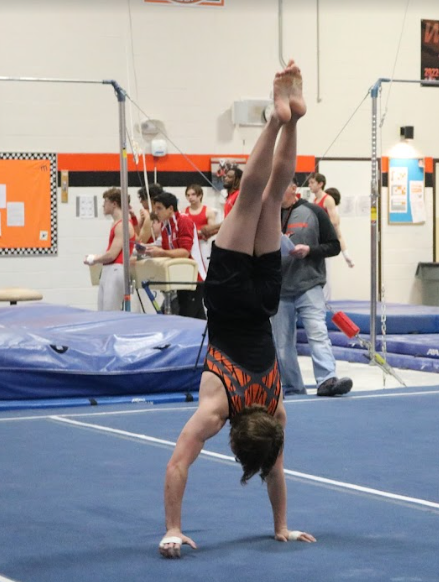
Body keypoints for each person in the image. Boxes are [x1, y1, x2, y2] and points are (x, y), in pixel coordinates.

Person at [159, 60, 315, 559]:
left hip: (264, 299)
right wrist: (172, 529)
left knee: (270, 200)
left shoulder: (276, 410)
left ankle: (292, 120)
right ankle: (275, 119)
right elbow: (178, 465)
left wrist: (283, 526)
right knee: (251, 200)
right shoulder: (216, 409)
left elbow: (277, 469)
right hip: (227, 299)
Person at [272, 179, 353, 397]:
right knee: (281, 343)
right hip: (279, 289)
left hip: (309, 284)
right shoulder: (268, 215)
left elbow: (334, 246)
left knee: (317, 332)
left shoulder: (314, 212)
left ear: (293, 188)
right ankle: (292, 386)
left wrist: (310, 250)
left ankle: (327, 380)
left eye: (281, 186)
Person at [146, 191, 206, 320]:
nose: (156, 212)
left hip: (195, 278)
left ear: (170, 209)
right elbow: (164, 247)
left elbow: (185, 252)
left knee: (187, 317)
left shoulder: (184, 221)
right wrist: (146, 250)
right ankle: (208, 339)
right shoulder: (165, 225)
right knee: (197, 318)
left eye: (159, 208)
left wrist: (161, 252)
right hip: (182, 277)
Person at [84, 187, 136, 311]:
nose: (103, 205)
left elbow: (112, 255)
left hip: (116, 270)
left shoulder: (123, 225)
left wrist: (94, 259)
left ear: (114, 204)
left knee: (110, 312)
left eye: (105, 202)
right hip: (109, 270)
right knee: (102, 312)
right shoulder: (116, 223)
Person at [199, 166, 242, 240]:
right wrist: (214, 232)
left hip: (237, 237)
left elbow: (235, 221)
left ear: (238, 180)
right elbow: (228, 223)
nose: (225, 178)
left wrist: (213, 227)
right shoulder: (230, 196)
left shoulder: (238, 195)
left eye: (229, 177)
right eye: (225, 176)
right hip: (229, 235)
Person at [183, 183, 218, 265]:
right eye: (188, 195)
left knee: (204, 267)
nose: (190, 197)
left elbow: (212, 230)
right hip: (189, 244)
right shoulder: (183, 212)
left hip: (202, 243)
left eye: (193, 194)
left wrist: (199, 233)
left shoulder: (208, 211)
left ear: (200, 195)